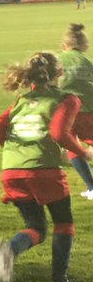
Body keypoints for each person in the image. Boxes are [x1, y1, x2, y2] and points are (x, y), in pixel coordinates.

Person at [0, 52, 93, 282]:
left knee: (36, 226)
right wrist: (84, 152)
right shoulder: (66, 98)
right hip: (44, 172)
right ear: (59, 73)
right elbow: (59, 132)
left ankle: (10, 249)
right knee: (63, 224)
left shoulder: (21, 101)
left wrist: (18, 151)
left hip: (11, 171)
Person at [59, 23, 93, 199]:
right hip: (87, 108)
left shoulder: (57, 60)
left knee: (72, 146)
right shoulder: (85, 61)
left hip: (64, 112)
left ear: (63, 45)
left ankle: (92, 188)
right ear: (85, 46)